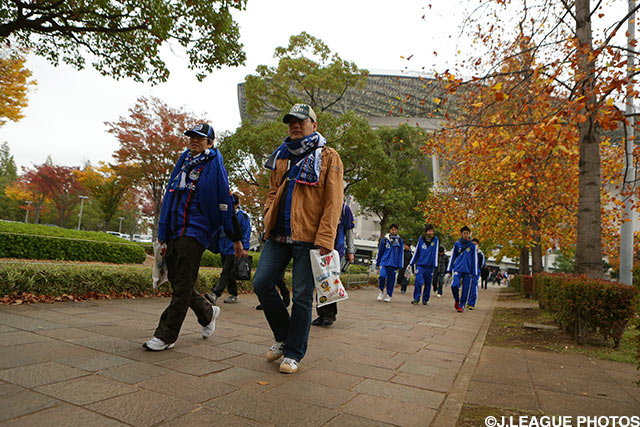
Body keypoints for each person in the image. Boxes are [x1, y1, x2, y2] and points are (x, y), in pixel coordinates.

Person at [252, 104, 344, 374]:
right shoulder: (281, 156)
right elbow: (272, 191)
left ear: (314, 125)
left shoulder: (328, 156)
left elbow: (333, 201)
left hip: (309, 237)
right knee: (261, 283)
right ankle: (284, 336)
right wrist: (268, 215)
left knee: (303, 296)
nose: (295, 125)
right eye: (291, 121)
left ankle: (293, 353)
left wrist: (325, 237)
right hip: (278, 234)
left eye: (301, 121)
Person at [144, 123, 243, 351]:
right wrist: (162, 231)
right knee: (178, 281)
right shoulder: (184, 162)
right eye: (191, 137)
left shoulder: (215, 166)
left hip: (196, 230)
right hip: (174, 229)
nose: (194, 141)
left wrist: (235, 237)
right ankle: (207, 312)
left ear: (210, 143)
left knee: (182, 286)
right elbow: (169, 197)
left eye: (200, 138)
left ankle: (166, 335)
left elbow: (224, 202)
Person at [312, 202, 355, 328]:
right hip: (318, 250)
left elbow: (349, 231)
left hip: (336, 252)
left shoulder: (344, 209)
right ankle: (321, 313)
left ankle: (330, 315)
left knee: (331, 282)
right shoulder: (320, 204)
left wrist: (350, 251)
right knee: (320, 281)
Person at [205, 193, 251, 305]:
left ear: (237, 204)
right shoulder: (224, 216)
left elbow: (246, 232)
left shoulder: (243, 216)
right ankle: (234, 294)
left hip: (234, 249)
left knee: (225, 271)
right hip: (223, 247)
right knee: (229, 272)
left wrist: (245, 248)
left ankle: (215, 293)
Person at [447, 226, 477, 313]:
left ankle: (462, 305)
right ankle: (457, 299)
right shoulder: (457, 244)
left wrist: (474, 272)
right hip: (458, 268)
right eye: (464, 233)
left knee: (466, 289)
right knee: (454, 285)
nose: (465, 235)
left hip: (468, 270)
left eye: (467, 233)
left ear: (469, 234)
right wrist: (449, 269)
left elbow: (474, 260)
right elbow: (453, 257)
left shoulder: (472, 246)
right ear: (461, 234)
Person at [410, 224, 439, 305]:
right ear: (426, 232)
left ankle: (425, 299)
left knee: (428, 283)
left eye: (432, 231)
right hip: (420, 265)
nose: (431, 232)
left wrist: (435, 265)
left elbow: (435, 252)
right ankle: (416, 298)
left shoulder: (435, 240)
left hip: (430, 266)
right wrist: (411, 263)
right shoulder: (421, 239)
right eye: (429, 231)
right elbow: (417, 251)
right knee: (418, 281)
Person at [376, 224, 404, 302]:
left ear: (397, 230)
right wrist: (378, 262)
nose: (393, 231)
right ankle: (381, 291)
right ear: (390, 230)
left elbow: (400, 253)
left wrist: (400, 265)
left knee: (391, 280)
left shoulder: (399, 240)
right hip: (384, 262)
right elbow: (381, 251)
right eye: (392, 229)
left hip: (393, 263)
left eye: (395, 229)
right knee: (382, 276)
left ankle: (389, 295)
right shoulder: (385, 240)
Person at [467, 238, 485, 310]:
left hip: (476, 272)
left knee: (474, 288)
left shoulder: (480, 254)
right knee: (467, 287)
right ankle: (467, 301)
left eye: (475, 244)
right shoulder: (468, 252)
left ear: (478, 245)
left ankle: (471, 303)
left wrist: (477, 270)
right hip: (468, 272)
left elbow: (482, 264)